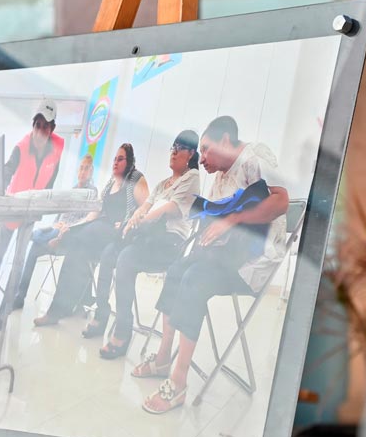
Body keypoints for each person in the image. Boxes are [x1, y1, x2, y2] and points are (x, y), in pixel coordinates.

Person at [134, 115, 289, 414]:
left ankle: (178, 383)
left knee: (194, 278)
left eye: (205, 149)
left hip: (253, 262)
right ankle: (164, 356)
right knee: (179, 269)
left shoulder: (256, 156)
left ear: (226, 141)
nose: (200, 158)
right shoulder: (220, 178)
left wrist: (232, 220)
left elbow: (281, 202)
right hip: (227, 256)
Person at [96, 131, 201, 358]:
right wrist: (137, 218)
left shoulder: (191, 177)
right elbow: (146, 207)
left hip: (171, 243)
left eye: (179, 147)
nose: (173, 151)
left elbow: (168, 209)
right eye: (173, 146)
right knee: (109, 252)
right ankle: (100, 313)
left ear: (191, 153)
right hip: (150, 236)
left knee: (125, 259)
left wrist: (141, 219)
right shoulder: (163, 183)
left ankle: (123, 331)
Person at [32, 143, 148, 326]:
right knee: (76, 249)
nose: (115, 162)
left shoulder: (136, 178)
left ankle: (64, 240)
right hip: (101, 230)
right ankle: (59, 309)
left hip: (119, 233)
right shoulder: (111, 182)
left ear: (130, 161)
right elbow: (96, 211)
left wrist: (128, 222)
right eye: (114, 159)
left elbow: (145, 208)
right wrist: (78, 225)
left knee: (79, 238)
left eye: (120, 159)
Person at [0, 99, 65, 317]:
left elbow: (51, 182)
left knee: (18, 262)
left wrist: (43, 206)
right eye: (38, 125)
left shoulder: (56, 151)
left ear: (52, 129)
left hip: (30, 213)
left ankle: (5, 308)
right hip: (12, 209)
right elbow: (7, 170)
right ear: (33, 125)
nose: (40, 131)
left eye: (46, 126)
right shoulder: (21, 147)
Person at [6, 154, 97, 313]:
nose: (82, 172)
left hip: (69, 236)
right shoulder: (73, 190)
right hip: (56, 231)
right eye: (81, 168)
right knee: (34, 249)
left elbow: (87, 221)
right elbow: (59, 215)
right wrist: (58, 224)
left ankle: (31, 235)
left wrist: (65, 227)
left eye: (86, 168)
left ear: (91, 171)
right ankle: (20, 297)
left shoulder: (92, 193)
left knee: (35, 236)